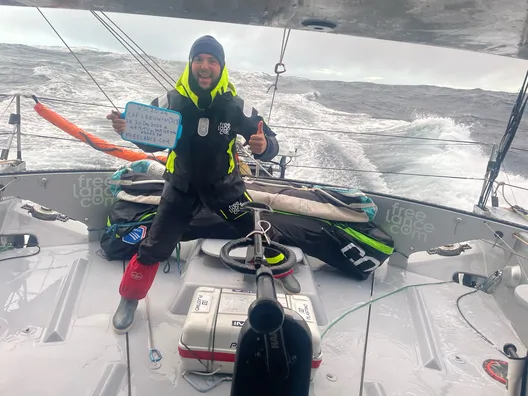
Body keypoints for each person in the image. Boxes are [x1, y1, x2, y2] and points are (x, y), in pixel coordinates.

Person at [107, 35, 301, 333]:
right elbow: (147, 139)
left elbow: (269, 140)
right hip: (180, 189)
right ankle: (129, 298)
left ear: (221, 67)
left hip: (225, 188)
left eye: (212, 60)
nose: (205, 66)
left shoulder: (235, 106)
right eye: (199, 59)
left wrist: (263, 148)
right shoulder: (170, 101)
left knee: (256, 229)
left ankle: (278, 270)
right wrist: (126, 130)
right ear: (191, 64)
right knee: (153, 246)